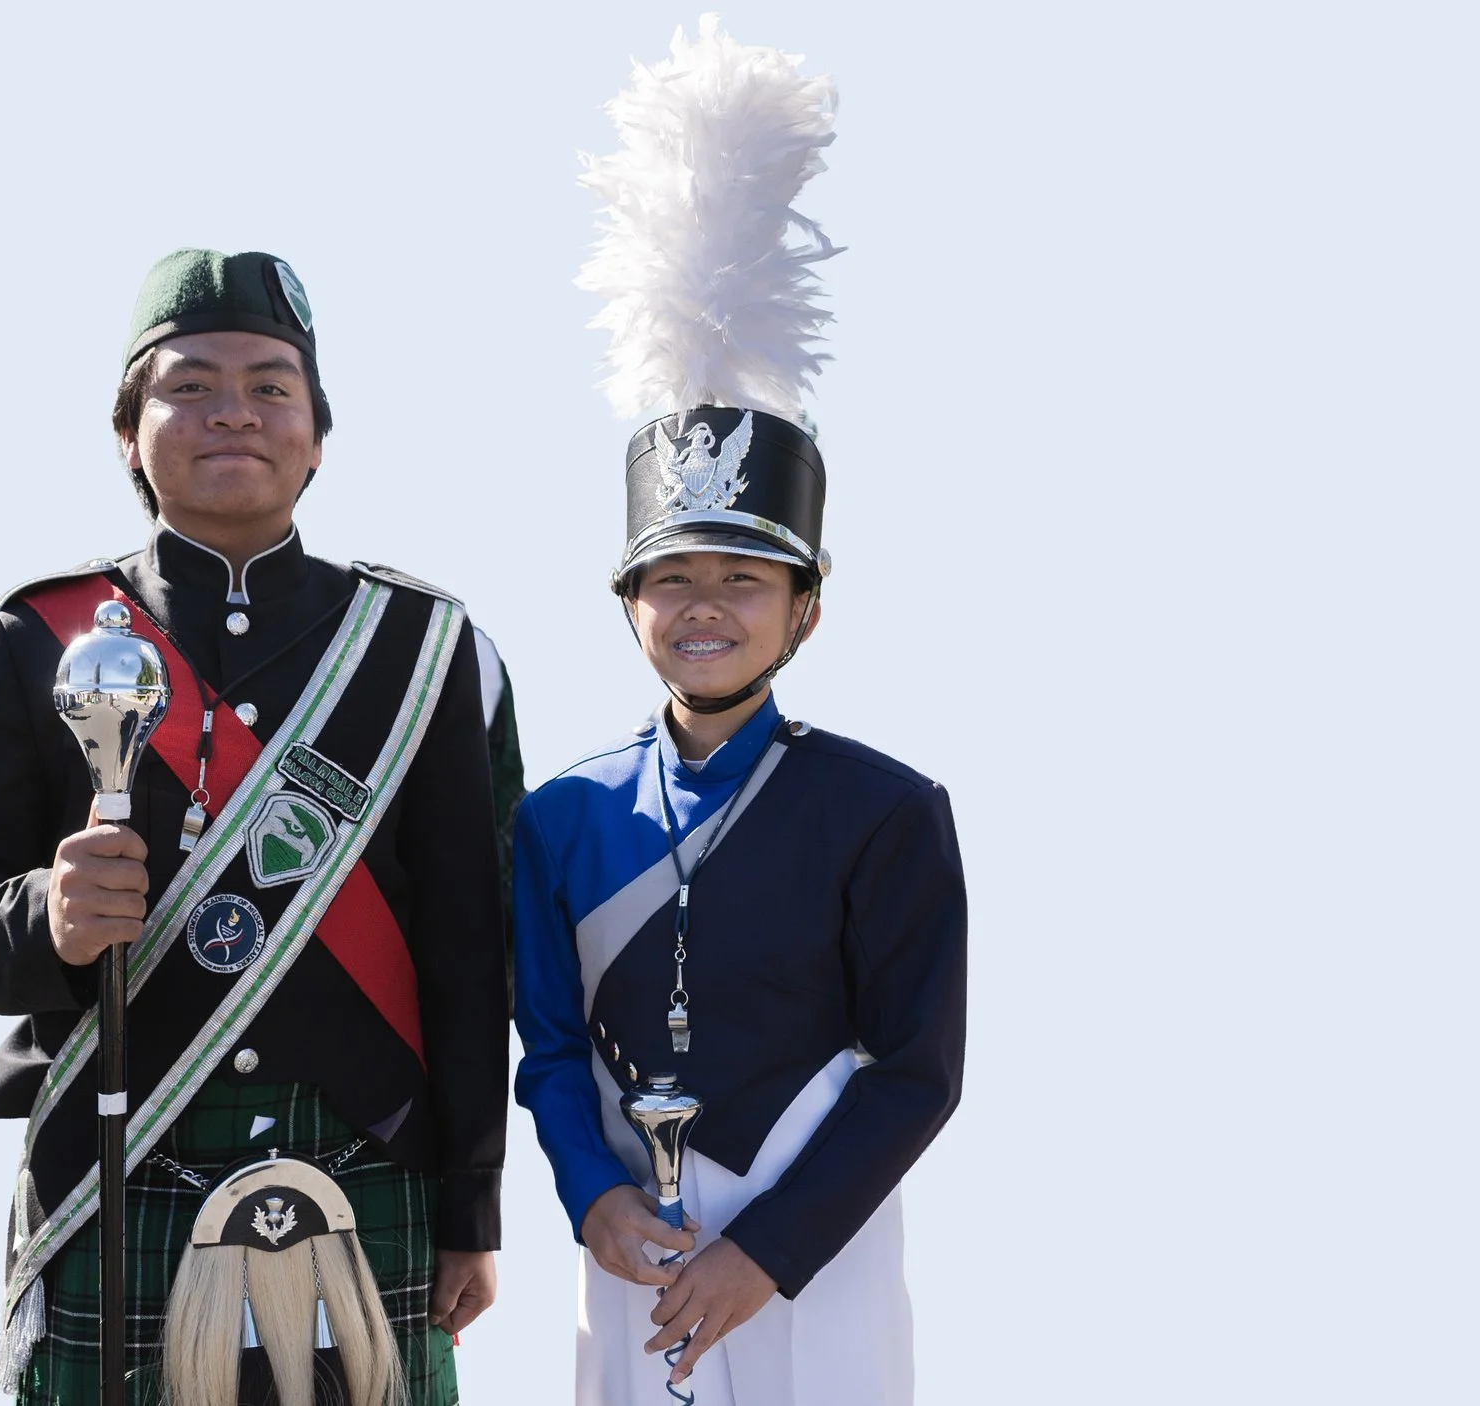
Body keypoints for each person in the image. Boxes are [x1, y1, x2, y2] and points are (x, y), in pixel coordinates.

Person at [0, 249, 519, 1405]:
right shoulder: (38, 634)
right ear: (127, 433)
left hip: (365, 1158)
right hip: (117, 1155)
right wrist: (49, 919)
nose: (233, 413)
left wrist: (470, 1203)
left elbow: (472, 948)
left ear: (317, 435)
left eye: (269, 386)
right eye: (189, 385)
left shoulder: (420, 648)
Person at [512, 23, 966, 1406]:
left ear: (807, 609)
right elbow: (549, 1044)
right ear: (628, 601)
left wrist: (764, 1251)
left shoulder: (884, 808)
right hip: (628, 1238)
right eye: (673, 578)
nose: (704, 604)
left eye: (744, 579)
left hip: (815, 1250)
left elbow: (916, 1071)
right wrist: (592, 1195)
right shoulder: (560, 814)